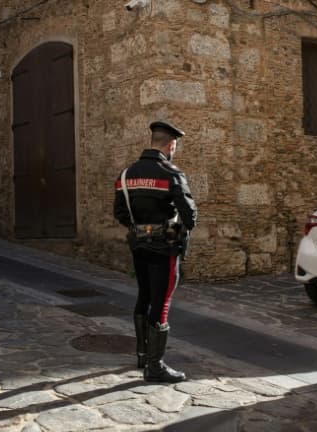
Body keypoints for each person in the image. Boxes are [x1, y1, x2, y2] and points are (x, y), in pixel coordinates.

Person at [113, 121, 197, 383]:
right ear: (171, 144)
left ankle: (142, 354)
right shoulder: (171, 173)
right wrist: (177, 234)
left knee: (144, 296)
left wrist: (140, 229)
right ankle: (155, 365)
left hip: (138, 244)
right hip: (165, 247)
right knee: (161, 303)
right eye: (175, 146)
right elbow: (190, 214)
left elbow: (119, 213)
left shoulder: (126, 175)